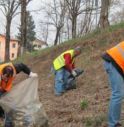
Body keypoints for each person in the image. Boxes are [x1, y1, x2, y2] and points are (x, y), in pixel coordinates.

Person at [0, 62, 38, 127]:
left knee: (9, 106)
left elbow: (22, 66)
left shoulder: (15, 68)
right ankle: (2, 114)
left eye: (8, 78)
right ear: (2, 74)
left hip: (5, 89)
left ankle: (8, 123)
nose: (6, 79)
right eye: (4, 77)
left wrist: (30, 73)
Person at [102, 41, 124, 127]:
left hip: (114, 62)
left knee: (117, 93)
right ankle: (113, 124)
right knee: (118, 94)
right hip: (113, 62)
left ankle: (112, 122)